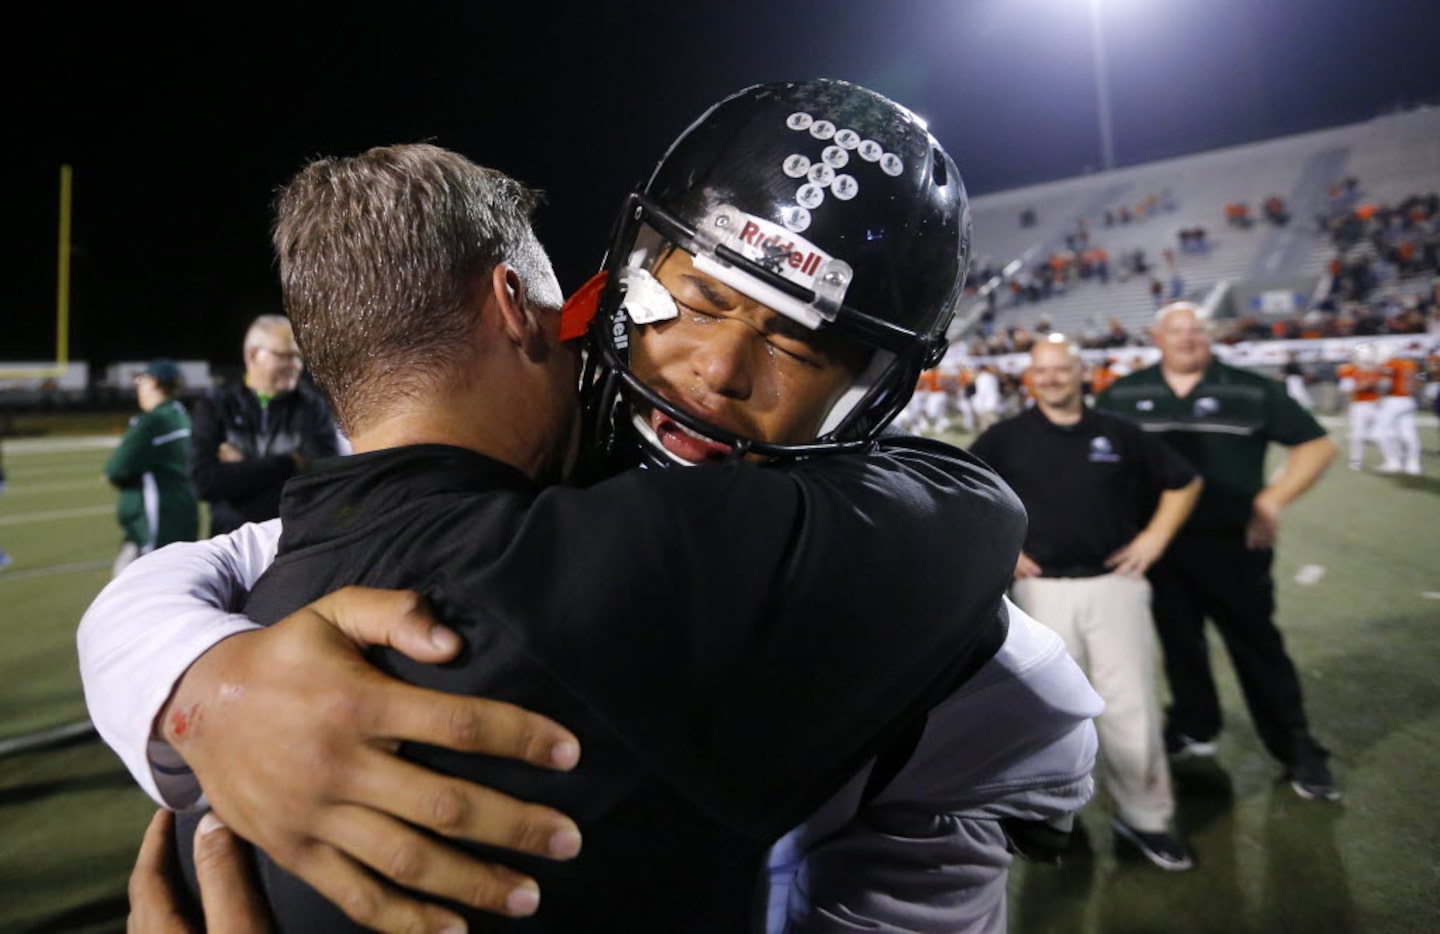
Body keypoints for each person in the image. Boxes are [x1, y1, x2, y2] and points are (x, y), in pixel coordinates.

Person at [83, 84, 1098, 934]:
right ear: (624, 274)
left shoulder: (911, 619)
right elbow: (239, 555)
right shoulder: (542, 436)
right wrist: (194, 677)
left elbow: (1026, 734)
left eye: (801, 343)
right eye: (698, 299)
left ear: (877, 383)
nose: (719, 367)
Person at [971, 334, 1201, 871]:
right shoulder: (1005, 437)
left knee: (1132, 710)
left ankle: (1145, 817)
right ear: (1030, 377)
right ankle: (1051, 823)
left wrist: (1153, 540)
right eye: (1042, 370)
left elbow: (1184, 482)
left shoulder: (1119, 432)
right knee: (1046, 717)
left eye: (1061, 368)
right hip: (1039, 594)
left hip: (1113, 587)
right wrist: (1008, 552)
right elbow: (968, 494)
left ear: (1081, 373)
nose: (1052, 378)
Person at [1096, 301, 1340, 802]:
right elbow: (1102, 459)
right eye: (1176, 331)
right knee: (1179, 643)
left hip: (1233, 544)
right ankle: (1193, 725)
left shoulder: (1250, 388)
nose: (1187, 340)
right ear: (1156, 337)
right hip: (1157, 546)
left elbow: (1316, 445)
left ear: (1211, 337)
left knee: (1257, 646)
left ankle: (1294, 744)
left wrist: (1272, 500)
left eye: (1196, 332)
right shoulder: (1124, 392)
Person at [188, 314, 339, 535]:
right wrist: (289, 462)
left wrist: (242, 466)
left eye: (298, 357)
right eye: (284, 356)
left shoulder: (311, 406)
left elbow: (323, 480)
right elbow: (203, 483)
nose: (295, 365)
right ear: (253, 355)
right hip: (232, 545)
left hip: (294, 541)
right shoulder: (215, 406)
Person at [103, 358, 199, 577]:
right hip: (183, 514)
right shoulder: (182, 416)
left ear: (155, 382)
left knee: (134, 595)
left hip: (154, 522)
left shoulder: (152, 421)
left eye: (141, 380)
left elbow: (115, 470)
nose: (138, 386)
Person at [1336, 342, 1386, 469]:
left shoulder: (1380, 369)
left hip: (1378, 405)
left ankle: (1393, 460)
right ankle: (1356, 460)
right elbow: (1346, 390)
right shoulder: (1350, 370)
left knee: (1384, 434)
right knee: (1358, 434)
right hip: (1359, 405)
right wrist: (1362, 387)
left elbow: (1386, 388)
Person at [1374, 346, 1422, 475]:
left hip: (1393, 400)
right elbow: (1418, 381)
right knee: (1409, 434)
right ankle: (1414, 464)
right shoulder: (1410, 364)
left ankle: (1393, 462)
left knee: (1381, 432)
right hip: (1409, 400)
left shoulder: (1389, 364)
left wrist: (1380, 397)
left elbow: (1385, 383)